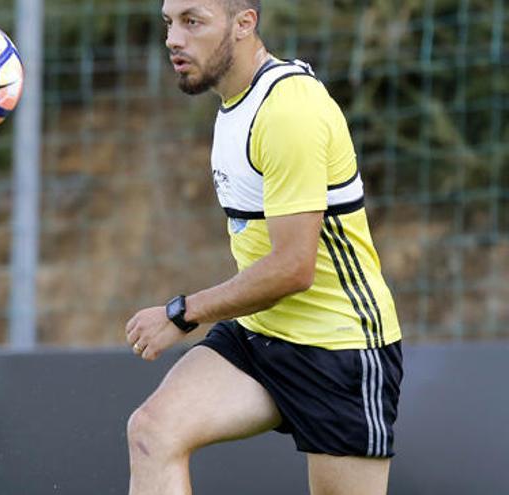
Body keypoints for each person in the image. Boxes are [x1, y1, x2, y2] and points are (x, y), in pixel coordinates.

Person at [123, 1, 403, 494]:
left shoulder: (288, 110)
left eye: (193, 21)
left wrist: (182, 313)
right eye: (169, 22)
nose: (173, 38)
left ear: (245, 23)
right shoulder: (234, 103)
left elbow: (294, 268)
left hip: (339, 348)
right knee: (153, 431)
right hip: (260, 334)